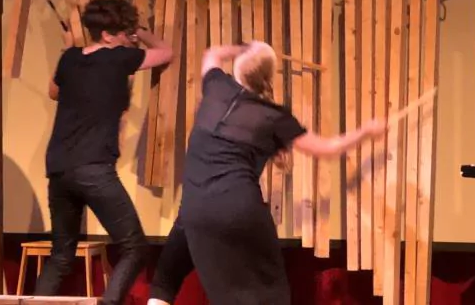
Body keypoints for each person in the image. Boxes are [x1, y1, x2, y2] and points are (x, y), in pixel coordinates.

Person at [148, 40, 386, 305]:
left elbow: (212, 53)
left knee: (165, 279)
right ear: (267, 78)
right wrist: (366, 132)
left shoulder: (216, 86)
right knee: (267, 292)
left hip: (193, 208)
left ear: (238, 68)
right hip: (238, 209)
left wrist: (241, 48)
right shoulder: (272, 115)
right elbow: (328, 148)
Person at [35, 0, 173, 304]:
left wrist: (73, 60)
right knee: (135, 248)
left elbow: (54, 91)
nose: (129, 39)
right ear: (109, 35)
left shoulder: (70, 58)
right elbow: (166, 53)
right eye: (125, 33)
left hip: (58, 167)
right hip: (94, 167)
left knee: (61, 255)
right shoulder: (119, 58)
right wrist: (142, 31)